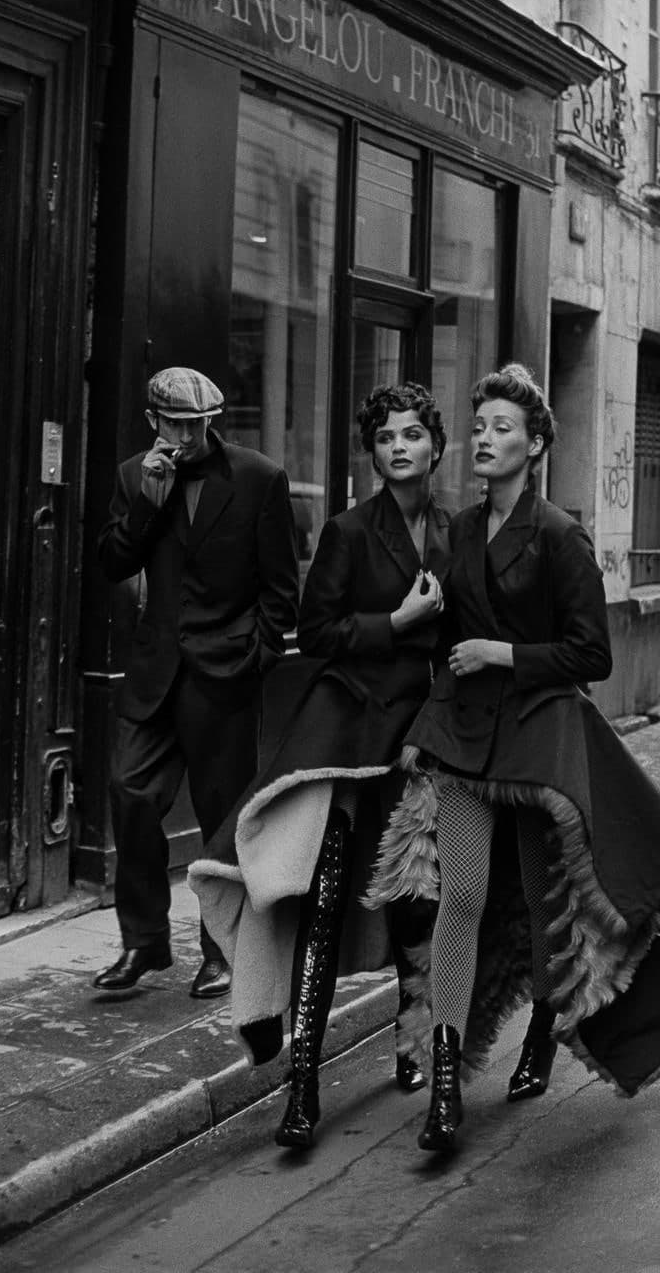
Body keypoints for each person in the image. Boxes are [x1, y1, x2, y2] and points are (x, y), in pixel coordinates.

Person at [366, 363, 660, 1153]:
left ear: (536, 445)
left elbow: (593, 655)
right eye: (480, 426)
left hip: (536, 744)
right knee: (461, 896)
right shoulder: (457, 531)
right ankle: (446, 1081)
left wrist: (502, 654)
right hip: (462, 738)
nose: (485, 439)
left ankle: (542, 1039)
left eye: (502, 428)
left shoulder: (560, 535)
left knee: (543, 900)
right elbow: (443, 630)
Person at [188, 382, 452, 1150]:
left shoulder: (459, 533)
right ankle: (301, 1084)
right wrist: (396, 621)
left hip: (423, 740)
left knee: (417, 901)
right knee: (325, 899)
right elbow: (318, 630)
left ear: (436, 446)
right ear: (372, 453)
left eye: (411, 434)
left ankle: (411, 1044)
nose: (398, 447)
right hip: (347, 735)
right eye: (385, 438)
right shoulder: (348, 531)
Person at [93, 366, 299, 1000]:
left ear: (212, 420)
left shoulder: (259, 477)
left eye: (198, 424)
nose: (187, 436)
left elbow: (281, 588)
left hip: (226, 675)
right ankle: (143, 942)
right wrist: (148, 504)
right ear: (152, 421)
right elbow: (112, 562)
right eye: (175, 424)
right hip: (154, 673)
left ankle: (222, 950)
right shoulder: (135, 475)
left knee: (222, 818)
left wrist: (256, 657)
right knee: (129, 792)